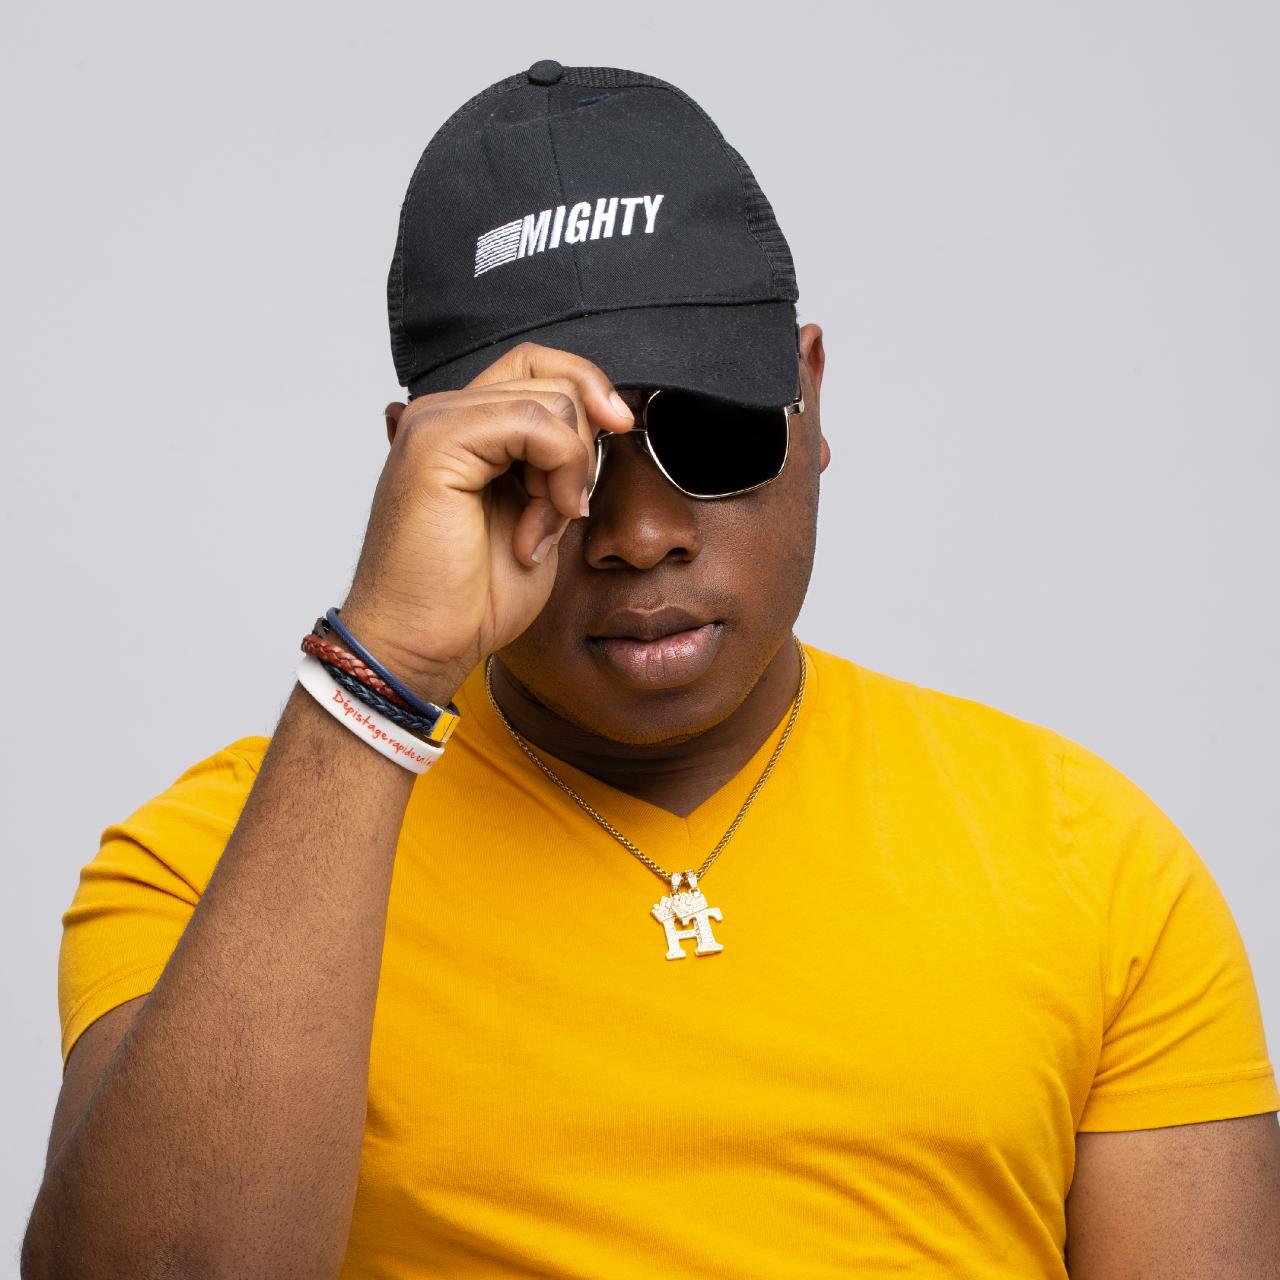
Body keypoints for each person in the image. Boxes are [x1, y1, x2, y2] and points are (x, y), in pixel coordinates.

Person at [21, 60, 1280, 1280]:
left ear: (809, 395)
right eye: (541, 462)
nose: (637, 531)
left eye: (713, 429)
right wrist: (383, 664)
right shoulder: (211, 868)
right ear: (419, 471)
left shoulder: (1088, 857)